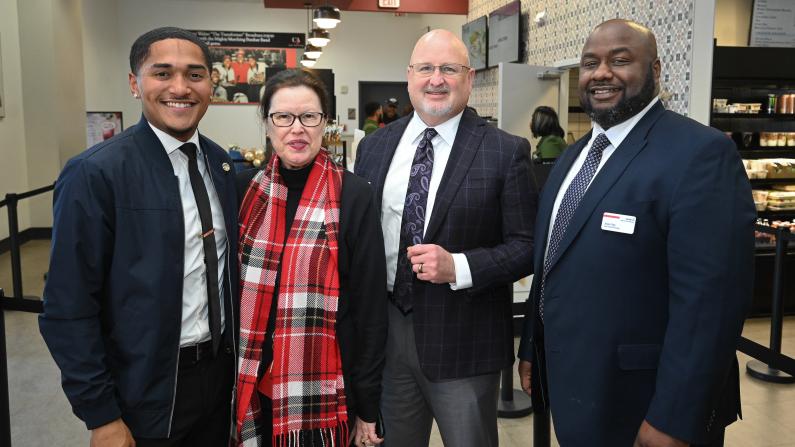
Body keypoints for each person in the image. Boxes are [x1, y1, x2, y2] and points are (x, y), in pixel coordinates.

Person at [517, 19, 754, 447]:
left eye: (620, 60)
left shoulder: (699, 154)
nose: (601, 72)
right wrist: (532, 347)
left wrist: (674, 418)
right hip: (576, 389)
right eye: (591, 63)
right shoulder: (572, 158)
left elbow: (710, 304)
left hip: (647, 404)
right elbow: (551, 260)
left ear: (656, 70)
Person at [39, 27, 238, 446]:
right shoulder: (96, 173)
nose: (180, 88)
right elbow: (67, 307)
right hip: (143, 389)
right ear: (135, 83)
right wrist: (101, 415)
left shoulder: (221, 166)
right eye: (162, 73)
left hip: (220, 382)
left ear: (212, 84)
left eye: (195, 75)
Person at [355, 29, 537, 447]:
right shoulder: (375, 147)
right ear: (409, 77)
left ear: (469, 78)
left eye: (449, 69)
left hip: (464, 341)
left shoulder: (505, 151)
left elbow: (528, 246)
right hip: (387, 335)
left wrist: (460, 266)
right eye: (426, 68)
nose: (436, 79)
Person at [235, 69, 388, 447]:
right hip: (252, 382)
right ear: (267, 123)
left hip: (324, 388)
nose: (296, 129)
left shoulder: (353, 196)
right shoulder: (246, 194)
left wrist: (368, 405)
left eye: (309, 116)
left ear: (325, 123)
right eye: (283, 117)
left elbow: (370, 309)